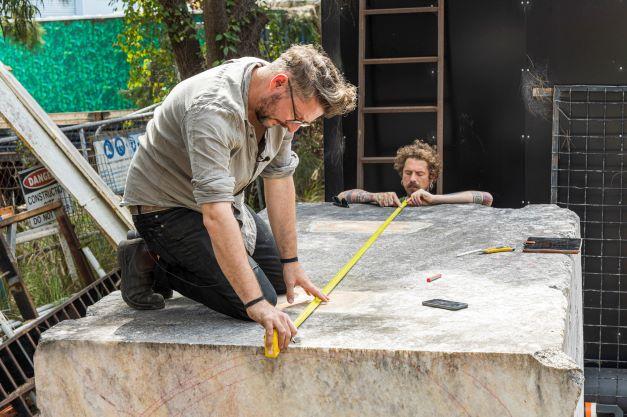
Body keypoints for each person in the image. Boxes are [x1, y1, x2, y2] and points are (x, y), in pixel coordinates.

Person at [119, 44, 357, 355]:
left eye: (302, 124)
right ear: (278, 83)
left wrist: (291, 261)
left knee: (279, 280)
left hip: (224, 201)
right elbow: (215, 215)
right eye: (295, 118)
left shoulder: (277, 102)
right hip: (166, 210)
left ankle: (187, 260)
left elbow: (280, 177)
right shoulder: (213, 110)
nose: (293, 128)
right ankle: (150, 258)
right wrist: (256, 304)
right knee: (259, 301)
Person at [337, 139, 493, 207]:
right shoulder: (394, 202)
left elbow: (487, 199)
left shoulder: (442, 201)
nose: (412, 179)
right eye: (408, 173)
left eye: (419, 174)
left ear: (431, 177)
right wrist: (374, 196)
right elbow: (341, 196)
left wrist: (434, 199)